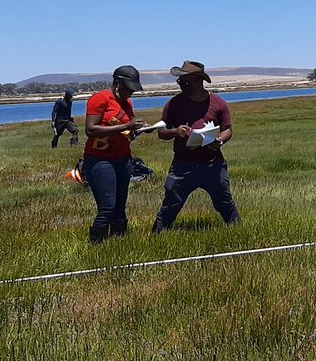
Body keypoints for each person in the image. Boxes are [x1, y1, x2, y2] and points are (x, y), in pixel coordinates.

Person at [152, 60, 240, 232]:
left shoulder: (218, 103)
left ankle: (238, 232)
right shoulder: (174, 104)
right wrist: (175, 131)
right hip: (182, 165)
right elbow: (161, 132)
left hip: (212, 164)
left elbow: (227, 129)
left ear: (199, 80)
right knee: (170, 206)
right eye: (180, 81)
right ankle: (156, 236)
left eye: (186, 81)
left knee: (225, 202)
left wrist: (219, 141)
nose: (182, 84)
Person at [82, 66, 146, 242]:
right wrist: (126, 127)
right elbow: (91, 129)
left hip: (123, 159)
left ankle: (119, 241)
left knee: (120, 205)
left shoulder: (128, 104)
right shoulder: (100, 99)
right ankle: (96, 243)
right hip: (100, 160)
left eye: (133, 89)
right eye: (128, 88)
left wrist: (137, 130)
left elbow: (128, 132)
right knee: (107, 206)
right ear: (117, 83)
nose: (131, 93)